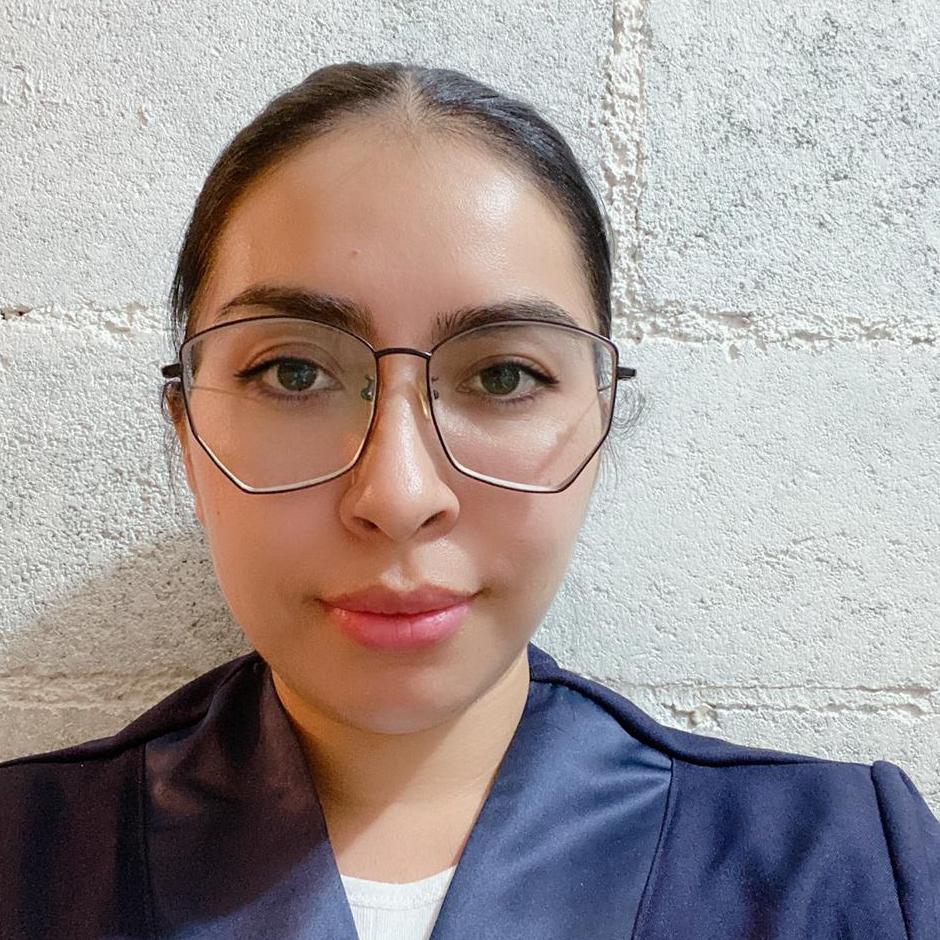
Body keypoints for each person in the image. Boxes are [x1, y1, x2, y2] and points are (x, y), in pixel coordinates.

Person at [0, 62, 937, 940]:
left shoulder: (845, 872)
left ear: (601, 423)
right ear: (188, 437)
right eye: (293, 372)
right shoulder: (24, 863)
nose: (398, 496)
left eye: (503, 375)